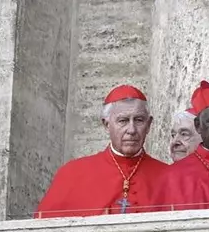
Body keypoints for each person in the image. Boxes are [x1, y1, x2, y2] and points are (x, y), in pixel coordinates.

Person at [36, 85, 167, 218]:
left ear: (148, 125)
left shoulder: (168, 177)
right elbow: (44, 226)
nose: (131, 130)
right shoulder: (72, 173)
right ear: (106, 124)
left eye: (139, 120)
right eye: (123, 121)